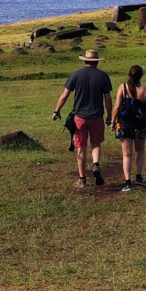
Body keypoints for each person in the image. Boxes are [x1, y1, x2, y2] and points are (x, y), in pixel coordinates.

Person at [51, 49, 113, 190]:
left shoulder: (76, 75)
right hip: (97, 116)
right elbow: (108, 98)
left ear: (84, 60)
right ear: (96, 61)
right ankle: (96, 164)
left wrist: (57, 110)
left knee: (81, 147)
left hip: (79, 117)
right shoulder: (103, 76)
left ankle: (82, 179)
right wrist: (110, 116)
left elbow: (64, 95)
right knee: (96, 143)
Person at [112, 64, 146, 192]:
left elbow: (117, 106)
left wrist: (112, 121)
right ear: (141, 76)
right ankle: (139, 177)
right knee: (140, 152)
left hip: (125, 124)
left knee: (127, 155)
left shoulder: (122, 87)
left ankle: (128, 183)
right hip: (141, 124)